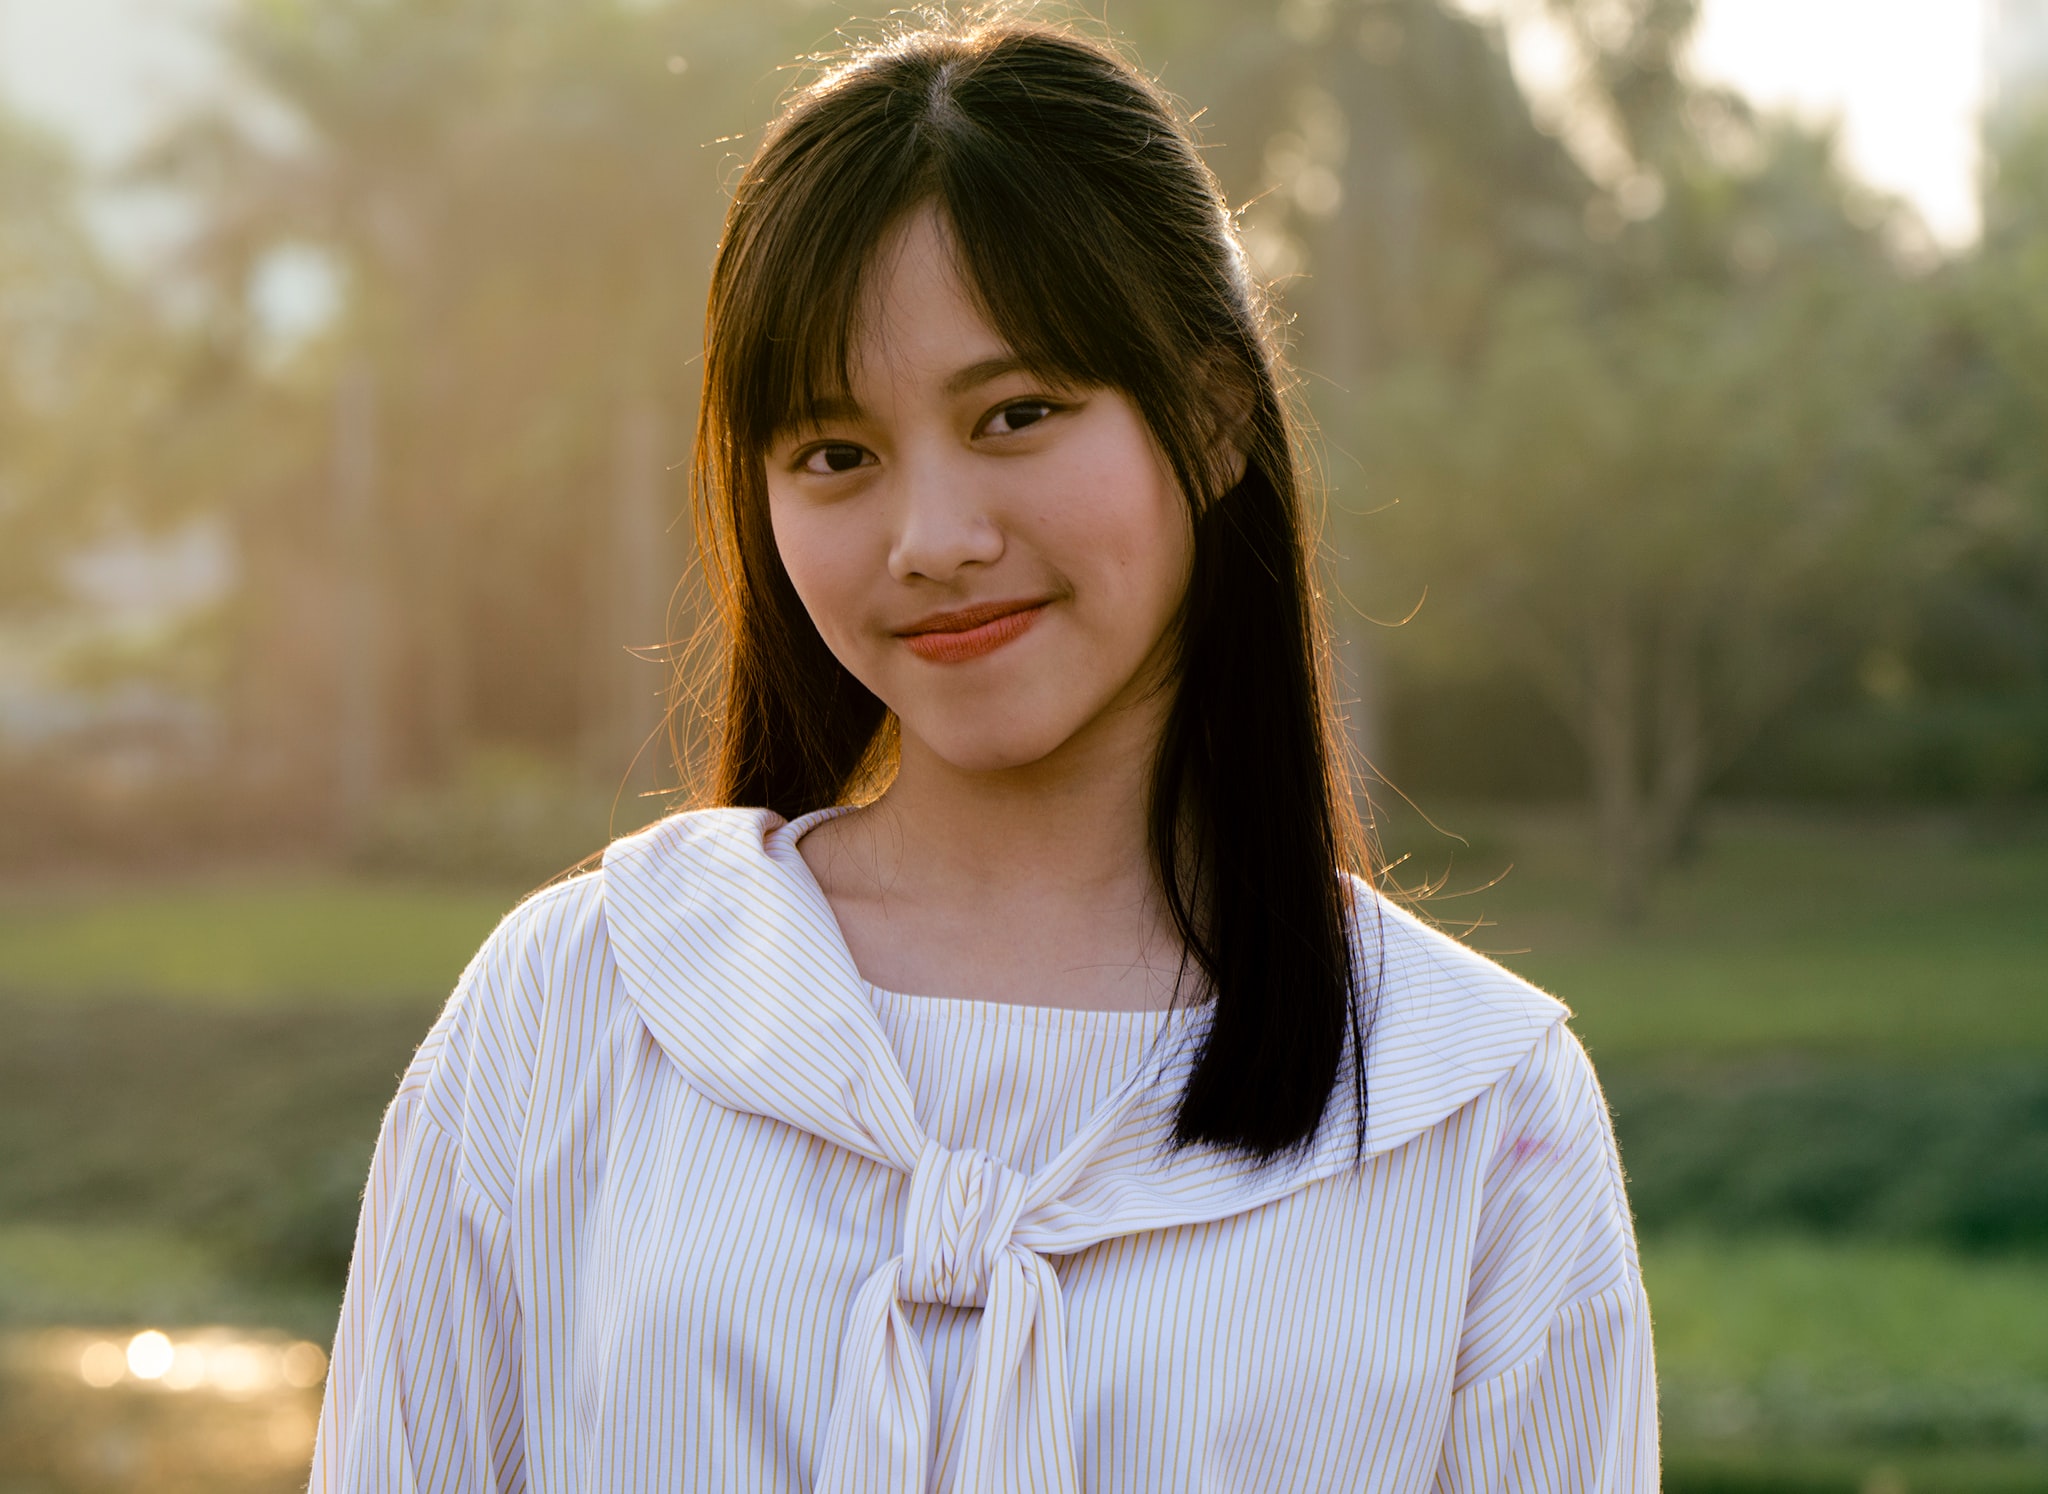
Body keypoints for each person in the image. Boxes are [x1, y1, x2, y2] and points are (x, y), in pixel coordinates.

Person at [311, 16, 1657, 1493]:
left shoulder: (1466, 1105)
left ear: (1212, 422)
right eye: (835, 453)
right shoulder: (574, 1009)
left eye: (1016, 415)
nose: (932, 538)